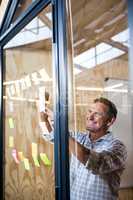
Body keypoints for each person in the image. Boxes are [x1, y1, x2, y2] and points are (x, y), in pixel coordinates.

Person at [40, 97, 127, 200]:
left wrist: (60, 125)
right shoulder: (79, 138)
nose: (90, 117)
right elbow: (51, 136)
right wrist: (43, 118)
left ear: (110, 121)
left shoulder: (117, 147)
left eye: (97, 114)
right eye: (90, 111)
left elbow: (96, 163)